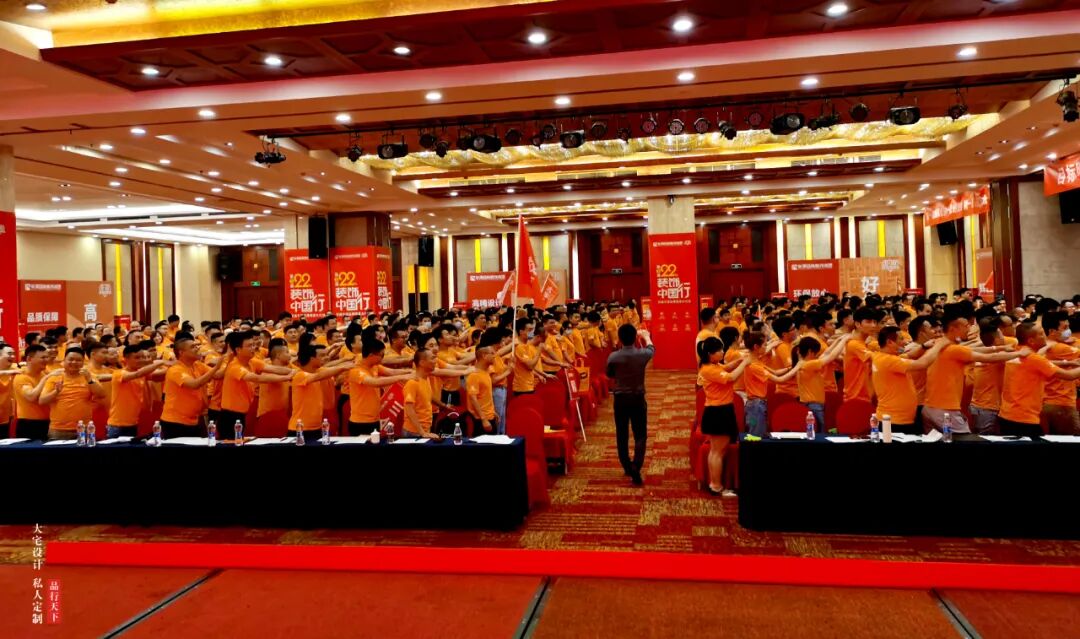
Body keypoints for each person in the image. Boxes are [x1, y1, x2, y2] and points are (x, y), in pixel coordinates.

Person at [923, 311, 1020, 434]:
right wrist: (1019, 353)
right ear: (953, 329)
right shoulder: (953, 349)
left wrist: (999, 348)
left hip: (930, 407)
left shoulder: (939, 344)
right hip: (945, 409)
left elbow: (970, 349)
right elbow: (988, 357)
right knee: (967, 441)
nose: (969, 328)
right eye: (965, 326)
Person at [998, 322, 1080, 437]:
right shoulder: (1034, 359)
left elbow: (1039, 363)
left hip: (1006, 415)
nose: (1045, 336)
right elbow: (1069, 375)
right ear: (1031, 341)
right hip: (1024, 419)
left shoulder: (1015, 353)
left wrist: (1066, 362)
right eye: (1041, 334)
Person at [697, 336, 750, 497]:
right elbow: (731, 377)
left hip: (718, 410)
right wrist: (745, 363)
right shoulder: (709, 370)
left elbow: (727, 367)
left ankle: (714, 484)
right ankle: (716, 486)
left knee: (715, 451)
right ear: (710, 354)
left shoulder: (713, 365)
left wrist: (740, 360)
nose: (722, 352)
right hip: (718, 412)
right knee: (718, 451)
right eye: (719, 350)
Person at [871, 327, 949, 435]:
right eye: (901, 339)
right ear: (889, 342)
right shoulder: (888, 361)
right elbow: (922, 364)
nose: (905, 342)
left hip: (899, 419)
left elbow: (910, 355)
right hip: (894, 421)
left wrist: (924, 346)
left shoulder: (884, 357)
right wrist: (939, 345)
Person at [220, 330, 296, 434]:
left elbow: (274, 369)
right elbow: (257, 378)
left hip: (243, 413)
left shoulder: (252, 361)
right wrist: (287, 377)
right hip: (230, 415)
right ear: (238, 349)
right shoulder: (234, 366)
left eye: (253, 345)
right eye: (249, 346)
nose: (253, 348)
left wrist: (293, 372)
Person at [605, 324, 654, 486]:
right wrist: (646, 336)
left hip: (620, 399)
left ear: (619, 338)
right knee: (640, 434)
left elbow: (609, 374)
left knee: (622, 433)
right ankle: (636, 466)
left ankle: (627, 466)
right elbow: (651, 348)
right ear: (635, 337)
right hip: (638, 397)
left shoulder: (613, 356)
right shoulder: (643, 354)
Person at [160, 332, 225, 439]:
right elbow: (194, 384)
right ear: (181, 352)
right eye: (193, 347)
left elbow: (218, 375)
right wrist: (216, 367)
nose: (197, 348)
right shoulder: (175, 370)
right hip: (175, 422)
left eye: (197, 345)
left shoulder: (197, 364)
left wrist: (230, 359)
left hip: (195, 419)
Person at [288, 344, 355, 443]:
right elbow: (319, 376)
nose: (327, 357)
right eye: (322, 355)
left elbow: (328, 371)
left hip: (317, 428)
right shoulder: (299, 375)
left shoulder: (319, 370)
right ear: (312, 359)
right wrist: (343, 367)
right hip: (300, 428)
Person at [346, 339, 414, 436]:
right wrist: (401, 377)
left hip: (375, 420)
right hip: (360, 422)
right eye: (381, 355)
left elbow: (391, 372)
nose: (383, 358)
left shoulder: (374, 366)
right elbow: (375, 382)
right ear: (371, 355)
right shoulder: (356, 371)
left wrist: (410, 372)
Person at [39, 347, 107, 440]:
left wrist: (89, 380)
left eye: (78, 360)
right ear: (64, 361)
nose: (74, 362)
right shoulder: (54, 378)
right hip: (59, 430)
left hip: (83, 428)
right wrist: (56, 392)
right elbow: (42, 401)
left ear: (83, 362)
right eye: (71, 359)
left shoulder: (89, 376)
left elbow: (102, 394)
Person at [741, 332, 800, 437]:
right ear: (756, 347)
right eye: (765, 345)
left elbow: (776, 372)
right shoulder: (754, 366)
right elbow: (779, 379)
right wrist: (798, 367)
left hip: (758, 404)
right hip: (756, 405)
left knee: (759, 434)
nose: (767, 347)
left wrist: (792, 368)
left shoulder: (757, 362)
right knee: (755, 436)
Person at [107, 344, 169, 438]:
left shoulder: (143, 374)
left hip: (133, 423)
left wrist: (173, 366)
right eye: (137, 357)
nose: (141, 360)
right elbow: (137, 374)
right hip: (117, 425)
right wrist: (159, 363)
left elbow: (159, 375)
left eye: (142, 357)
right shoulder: (119, 373)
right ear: (126, 359)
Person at [793, 333, 850, 430]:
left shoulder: (804, 363)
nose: (817, 355)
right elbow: (832, 356)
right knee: (818, 432)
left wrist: (838, 340)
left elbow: (827, 353)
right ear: (810, 351)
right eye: (816, 353)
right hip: (813, 406)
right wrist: (844, 341)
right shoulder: (810, 365)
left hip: (810, 404)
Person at [1039, 311, 1080, 435]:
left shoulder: (1040, 346)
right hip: (1063, 403)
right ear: (1052, 331)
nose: (1068, 331)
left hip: (1042, 402)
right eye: (1065, 328)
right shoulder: (1061, 348)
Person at [12, 344, 57, 440]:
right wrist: (45, 379)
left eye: (47, 357)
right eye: (43, 357)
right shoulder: (21, 377)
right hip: (29, 424)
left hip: (47, 422)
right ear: (29, 359)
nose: (46, 360)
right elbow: (31, 397)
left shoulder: (44, 373)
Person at [402, 349, 442, 440]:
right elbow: (409, 409)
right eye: (432, 358)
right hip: (413, 433)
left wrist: (442, 405)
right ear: (422, 363)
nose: (435, 361)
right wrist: (422, 432)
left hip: (424, 430)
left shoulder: (426, 379)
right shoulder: (412, 383)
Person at [843, 307, 880, 403]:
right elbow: (878, 359)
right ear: (857, 324)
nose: (873, 325)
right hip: (855, 399)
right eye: (868, 322)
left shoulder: (867, 343)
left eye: (875, 322)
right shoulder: (854, 344)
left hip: (866, 398)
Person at [466, 343, 498, 435]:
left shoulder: (486, 372)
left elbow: (485, 396)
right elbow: (473, 399)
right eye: (492, 353)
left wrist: (493, 412)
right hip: (480, 420)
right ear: (484, 356)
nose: (495, 356)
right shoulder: (474, 375)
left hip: (489, 416)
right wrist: (483, 419)